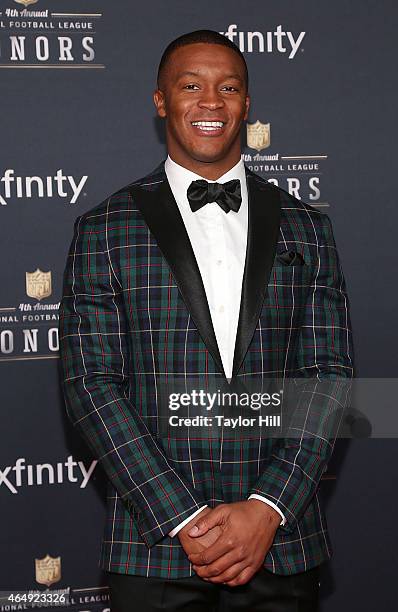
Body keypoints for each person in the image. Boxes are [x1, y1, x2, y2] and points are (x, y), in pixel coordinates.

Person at [58, 29, 354, 612]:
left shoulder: (307, 228)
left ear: (247, 103)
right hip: (155, 546)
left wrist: (267, 508)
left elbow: (327, 374)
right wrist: (185, 518)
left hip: (280, 542)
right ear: (161, 99)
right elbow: (90, 385)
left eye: (229, 88)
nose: (211, 102)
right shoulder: (104, 229)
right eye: (191, 86)